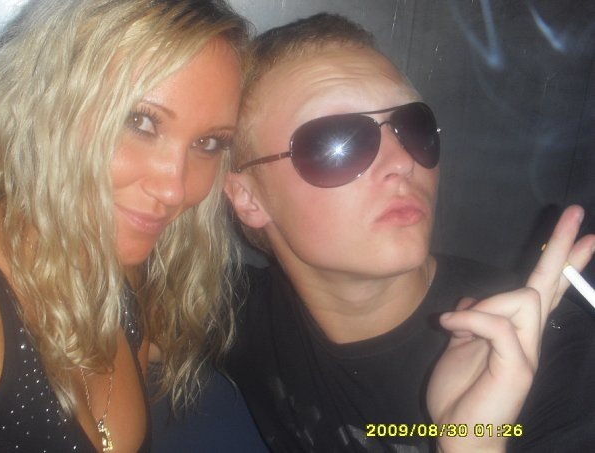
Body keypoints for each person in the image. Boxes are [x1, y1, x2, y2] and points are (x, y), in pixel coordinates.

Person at [225, 13, 595, 452]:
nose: (403, 161)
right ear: (249, 197)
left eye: (412, 127)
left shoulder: (547, 355)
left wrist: (473, 443)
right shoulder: (232, 316)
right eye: (337, 141)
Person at [0, 0, 248, 451]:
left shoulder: (120, 276)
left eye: (208, 143)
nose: (175, 189)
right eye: (140, 121)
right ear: (44, 103)